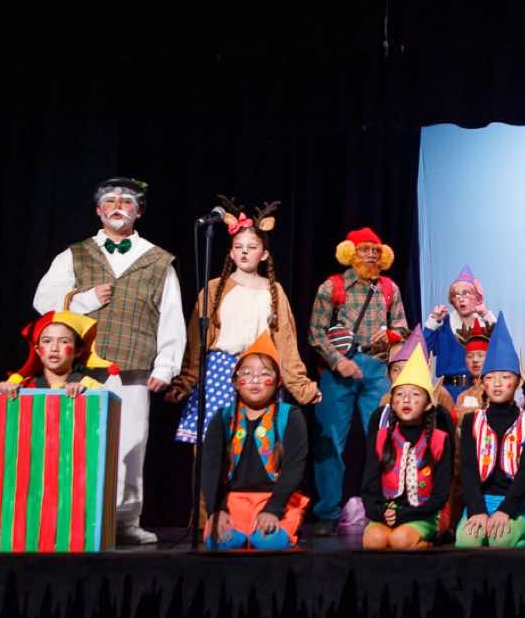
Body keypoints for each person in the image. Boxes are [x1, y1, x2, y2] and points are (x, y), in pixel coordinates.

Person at [32, 175, 182, 547]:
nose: (118, 207)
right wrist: (84, 299)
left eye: (126, 201)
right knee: (77, 443)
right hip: (81, 371)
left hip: (133, 368)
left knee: (130, 445)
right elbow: (42, 299)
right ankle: (73, 519)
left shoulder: (158, 260)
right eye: (110, 201)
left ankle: (124, 521)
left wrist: (166, 366)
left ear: (139, 211)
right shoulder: (75, 254)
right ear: (98, 210)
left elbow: (172, 317)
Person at [169, 208, 319, 443]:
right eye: (238, 247)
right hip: (219, 372)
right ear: (231, 253)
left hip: (259, 371)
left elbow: (286, 342)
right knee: (214, 442)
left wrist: (301, 386)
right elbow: (197, 340)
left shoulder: (273, 291)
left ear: (264, 254)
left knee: (255, 443)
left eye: (252, 247)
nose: (244, 252)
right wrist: (185, 381)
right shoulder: (215, 288)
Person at [307, 226, 411, 532]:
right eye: (364, 250)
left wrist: (390, 335)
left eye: (376, 251)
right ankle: (327, 512)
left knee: (384, 438)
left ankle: (384, 508)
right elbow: (315, 333)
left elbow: (402, 327)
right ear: (350, 253)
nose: (371, 256)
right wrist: (339, 362)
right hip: (338, 370)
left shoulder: (389, 288)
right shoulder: (332, 287)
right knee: (330, 441)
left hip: (377, 369)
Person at [200, 331, 311, 551]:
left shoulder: (290, 416)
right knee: (222, 543)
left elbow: (294, 468)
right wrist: (216, 510)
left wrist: (273, 509)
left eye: (264, 374)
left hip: (278, 501)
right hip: (232, 504)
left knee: (267, 542)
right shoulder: (223, 418)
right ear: (235, 382)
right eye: (247, 373)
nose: (255, 380)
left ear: (278, 382)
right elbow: (210, 468)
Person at [455, 315, 525, 549]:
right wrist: (477, 510)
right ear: (482, 382)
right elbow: (468, 469)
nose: (497, 383)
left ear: (517, 381)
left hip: (517, 504)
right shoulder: (472, 420)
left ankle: (523, 535)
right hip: (481, 502)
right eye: (490, 377)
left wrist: (506, 510)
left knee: (500, 540)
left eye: (505, 377)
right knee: (467, 543)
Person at [360, 343, 451, 550]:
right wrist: (381, 512)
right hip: (389, 511)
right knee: (373, 540)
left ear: (428, 404)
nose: (406, 399)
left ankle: (430, 542)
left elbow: (440, 495)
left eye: (415, 394)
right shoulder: (382, 437)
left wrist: (405, 515)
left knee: (400, 540)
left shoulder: (439, 440)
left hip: (423, 514)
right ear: (392, 402)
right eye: (400, 394)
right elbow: (369, 486)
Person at [0, 309, 114, 393]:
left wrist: (86, 394)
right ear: (38, 350)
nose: (54, 348)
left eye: (64, 341)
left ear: (78, 350)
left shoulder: (89, 385)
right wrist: (1, 392)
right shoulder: (23, 386)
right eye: (47, 341)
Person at [421, 265, 489, 399]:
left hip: (478, 390)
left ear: (477, 298)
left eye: (466, 293)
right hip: (447, 392)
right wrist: (433, 322)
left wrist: (487, 315)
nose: (461, 299)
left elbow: (501, 350)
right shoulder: (443, 324)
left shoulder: (485, 324)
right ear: (452, 301)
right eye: (455, 295)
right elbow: (422, 351)